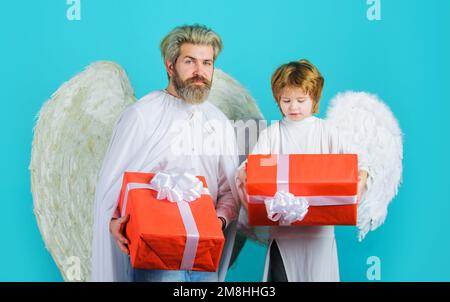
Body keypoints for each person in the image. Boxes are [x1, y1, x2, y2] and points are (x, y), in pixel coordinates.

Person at [90, 24, 241, 282]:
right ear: (170, 65)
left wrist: (218, 221)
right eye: (190, 61)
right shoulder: (141, 116)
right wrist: (113, 221)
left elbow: (230, 190)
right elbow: (112, 188)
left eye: (207, 63)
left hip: (203, 258)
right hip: (156, 255)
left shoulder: (219, 122)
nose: (199, 72)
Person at [237, 59, 369, 282]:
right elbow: (252, 166)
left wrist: (362, 177)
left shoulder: (326, 131)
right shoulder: (273, 133)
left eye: (301, 100)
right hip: (283, 234)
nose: (293, 107)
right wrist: (245, 173)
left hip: (320, 235)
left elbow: (357, 164)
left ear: (314, 98)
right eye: (286, 100)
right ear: (278, 99)